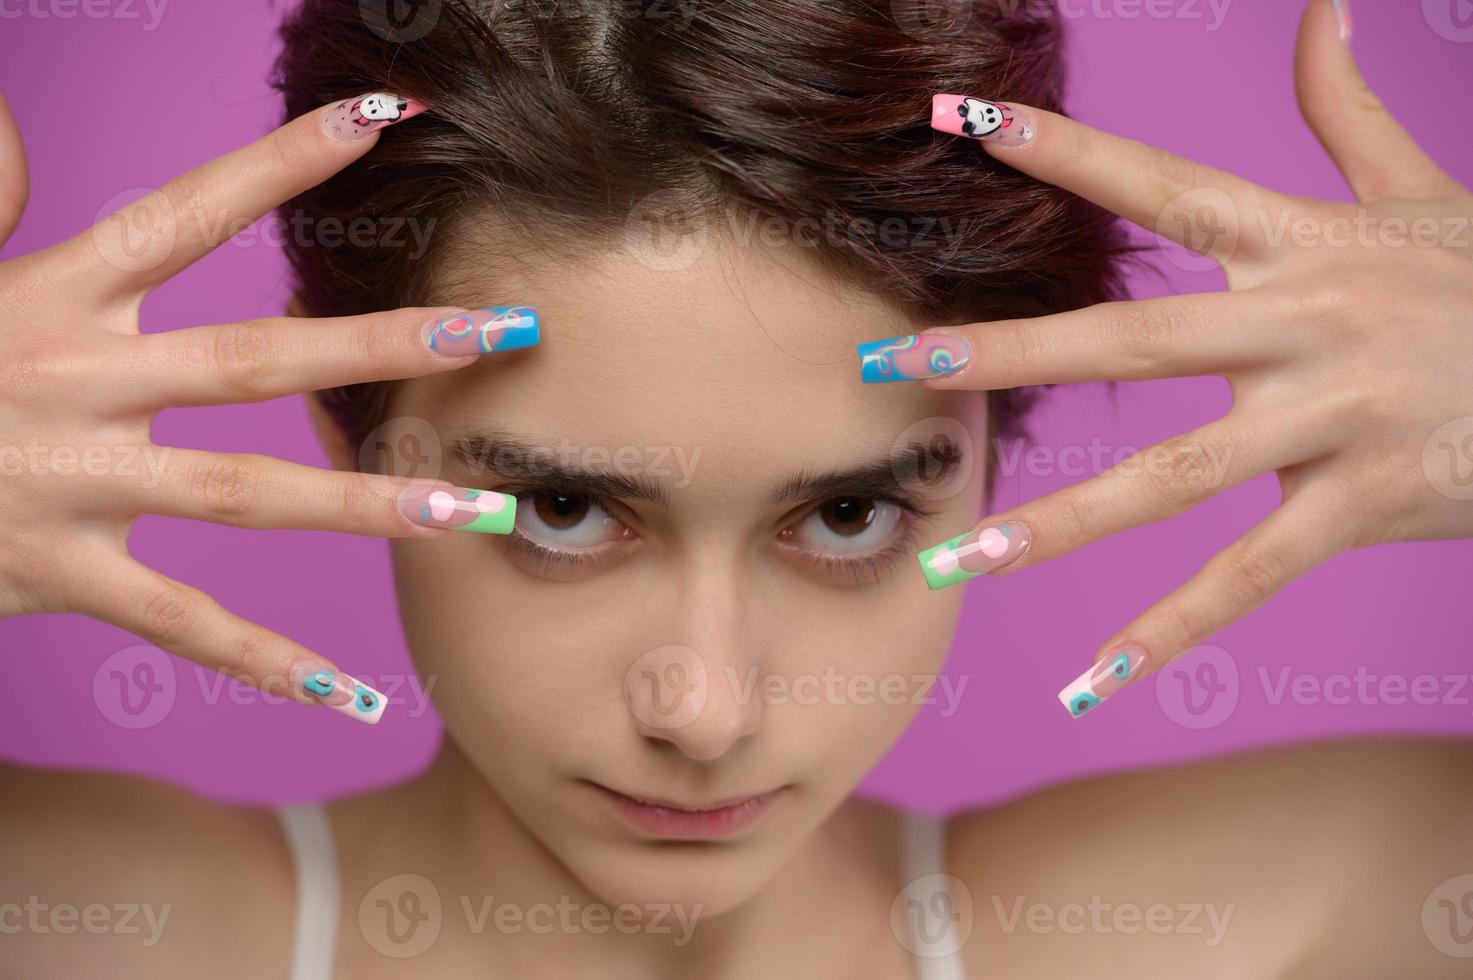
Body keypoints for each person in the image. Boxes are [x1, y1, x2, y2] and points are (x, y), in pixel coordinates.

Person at [1, 0, 1470, 976]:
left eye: (845, 515)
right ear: (344, 420)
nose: (704, 712)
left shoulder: (1288, 921)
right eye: (567, 513)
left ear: (992, 445)